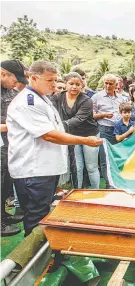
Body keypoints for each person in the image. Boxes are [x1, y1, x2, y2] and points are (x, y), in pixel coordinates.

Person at [7, 60, 103, 236]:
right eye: (50, 80)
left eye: (55, 80)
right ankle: (35, 259)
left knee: (42, 214)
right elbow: (49, 135)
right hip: (34, 171)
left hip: (44, 169)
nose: (54, 84)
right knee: (36, 218)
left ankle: (43, 254)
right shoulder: (28, 102)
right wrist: (84, 141)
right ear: (34, 78)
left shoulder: (41, 97)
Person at [50, 72, 100, 189]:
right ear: (66, 84)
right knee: (77, 166)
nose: (74, 86)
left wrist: (59, 127)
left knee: (91, 167)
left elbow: (78, 119)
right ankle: (78, 192)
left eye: (77, 84)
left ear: (81, 85)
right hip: (72, 136)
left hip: (90, 135)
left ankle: (96, 191)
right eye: (71, 83)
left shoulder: (87, 100)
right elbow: (51, 112)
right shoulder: (57, 97)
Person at [1, 59, 27, 236]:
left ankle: (3, 215)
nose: (16, 83)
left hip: (9, 143)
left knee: (6, 181)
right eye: (14, 79)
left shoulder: (9, 91)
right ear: (3, 74)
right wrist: (14, 124)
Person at [92, 74, 128, 188]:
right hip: (104, 129)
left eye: (110, 83)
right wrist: (103, 115)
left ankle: (120, 182)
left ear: (116, 85)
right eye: (106, 83)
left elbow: (126, 113)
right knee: (105, 158)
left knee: (118, 157)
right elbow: (91, 115)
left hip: (119, 131)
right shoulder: (96, 97)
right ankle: (109, 184)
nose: (108, 86)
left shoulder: (123, 98)